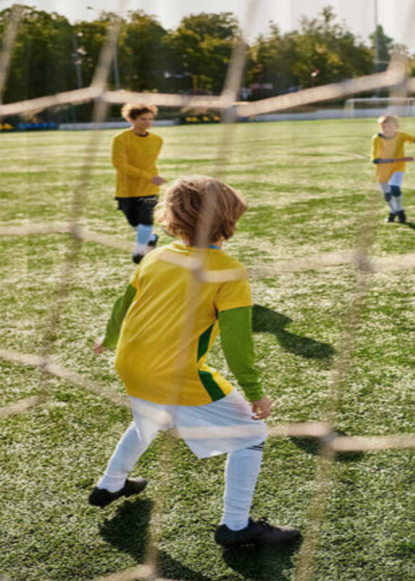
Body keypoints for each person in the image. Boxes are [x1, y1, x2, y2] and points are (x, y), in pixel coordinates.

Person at [90, 175, 300, 551]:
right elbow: (238, 344)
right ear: (229, 218)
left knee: (149, 420)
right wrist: (255, 393)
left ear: (171, 217)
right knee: (251, 435)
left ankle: (111, 483)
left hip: (129, 362)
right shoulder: (228, 269)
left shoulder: (156, 255)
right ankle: (236, 526)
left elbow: (123, 303)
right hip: (175, 373)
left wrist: (108, 340)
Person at [112, 103, 166, 264]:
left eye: (150, 119)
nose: (147, 122)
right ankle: (151, 238)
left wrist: (151, 179)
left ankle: (139, 252)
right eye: (143, 119)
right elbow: (119, 164)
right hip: (127, 189)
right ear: (131, 119)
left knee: (146, 220)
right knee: (134, 222)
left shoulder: (157, 140)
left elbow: (148, 164)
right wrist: (147, 176)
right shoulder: (121, 139)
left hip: (150, 187)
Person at [370, 114, 415, 223]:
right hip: (382, 170)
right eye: (383, 127)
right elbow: (375, 160)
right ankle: (393, 211)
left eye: (389, 126)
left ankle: (400, 211)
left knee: (394, 188)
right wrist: (400, 159)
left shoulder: (401, 136)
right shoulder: (377, 139)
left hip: (398, 168)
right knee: (387, 195)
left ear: (396, 126)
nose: (386, 129)